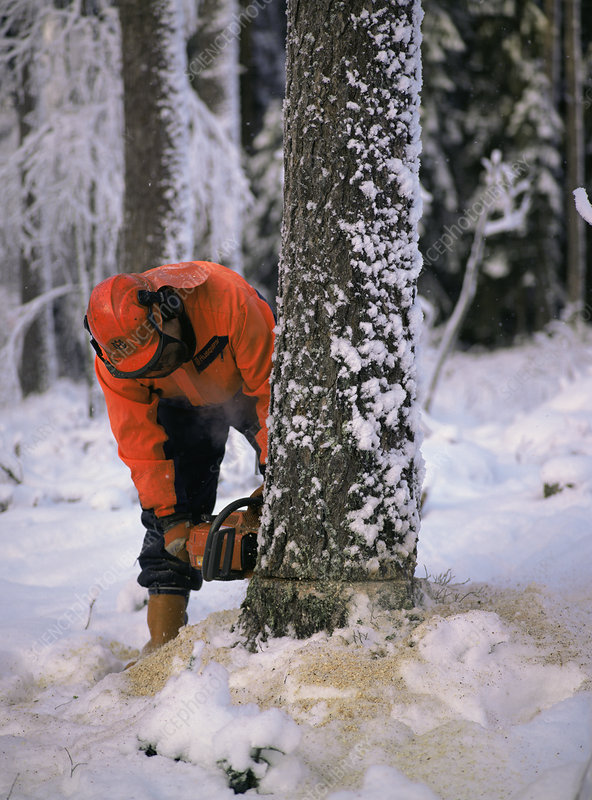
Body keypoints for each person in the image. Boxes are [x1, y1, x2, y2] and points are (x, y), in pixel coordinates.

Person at [84, 261, 275, 654]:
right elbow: (139, 442)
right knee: (164, 526)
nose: (157, 367)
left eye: (159, 356)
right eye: (148, 368)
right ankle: (161, 644)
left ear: (165, 308)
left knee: (294, 478)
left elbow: (274, 396)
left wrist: (277, 472)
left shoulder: (229, 303)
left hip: (245, 389)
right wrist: (171, 519)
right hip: (178, 407)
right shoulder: (114, 365)